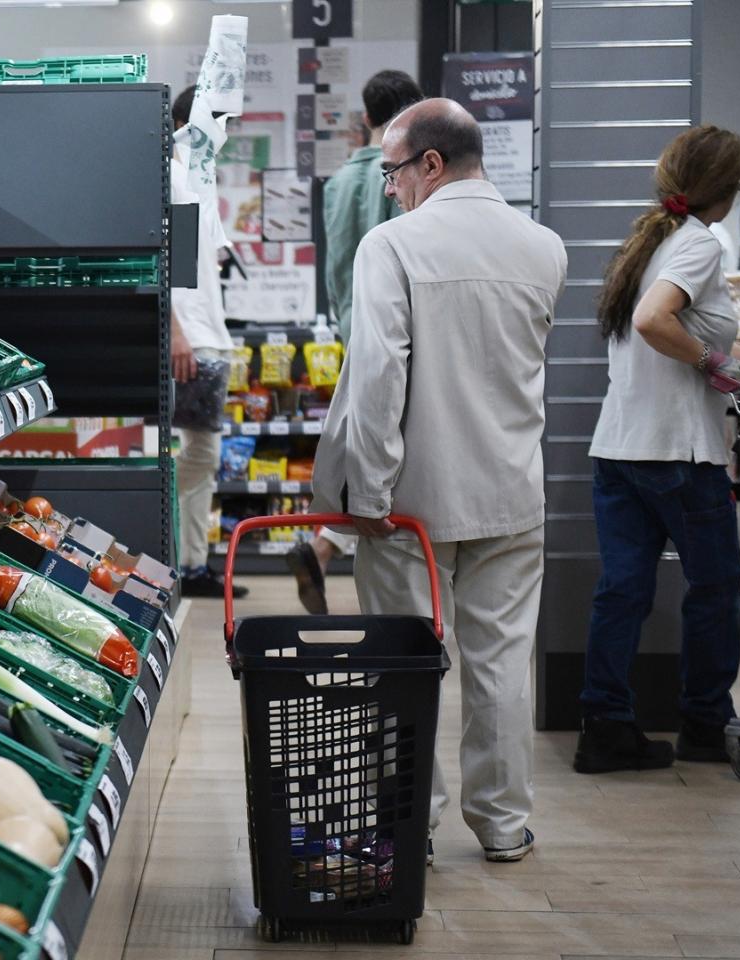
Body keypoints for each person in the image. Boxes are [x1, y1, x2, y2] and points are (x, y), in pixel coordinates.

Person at [311, 99, 567, 863]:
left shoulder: (392, 247)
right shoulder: (544, 246)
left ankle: (405, 821)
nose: (387, 187)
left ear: (430, 163)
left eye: (392, 170)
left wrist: (371, 495)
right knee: (501, 666)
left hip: (409, 505)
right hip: (512, 493)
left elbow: (381, 377)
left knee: (403, 663)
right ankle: (502, 825)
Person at [574, 125, 740, 774]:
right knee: (718, 583)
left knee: (623, 591)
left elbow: (679, 330)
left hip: (619, 449)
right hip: (678, 453)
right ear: (726, 192)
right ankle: (704, 722)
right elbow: (654, 323)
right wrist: (710, 360)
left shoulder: (649, 242)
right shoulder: (699, 243)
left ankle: (605, 726)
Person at [287, 69, 424, 615]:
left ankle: (322, 548)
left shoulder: (340, 179)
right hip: (400, 333)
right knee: (393, 464)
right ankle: (336, 549)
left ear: (365, 117)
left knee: (360, 445)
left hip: (351, 329)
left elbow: (334, 266)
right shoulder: (404, 177)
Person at [170, 85, 246, 599]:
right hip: (191, 338)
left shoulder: (198, 176)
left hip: (209, 334)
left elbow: (207, 255)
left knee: (202, 454)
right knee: (199, 453)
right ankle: (157, 533)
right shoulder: (173, 175)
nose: (227, 133)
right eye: (222, 122)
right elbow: (164, 257)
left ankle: (193, 564)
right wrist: (175, 330)